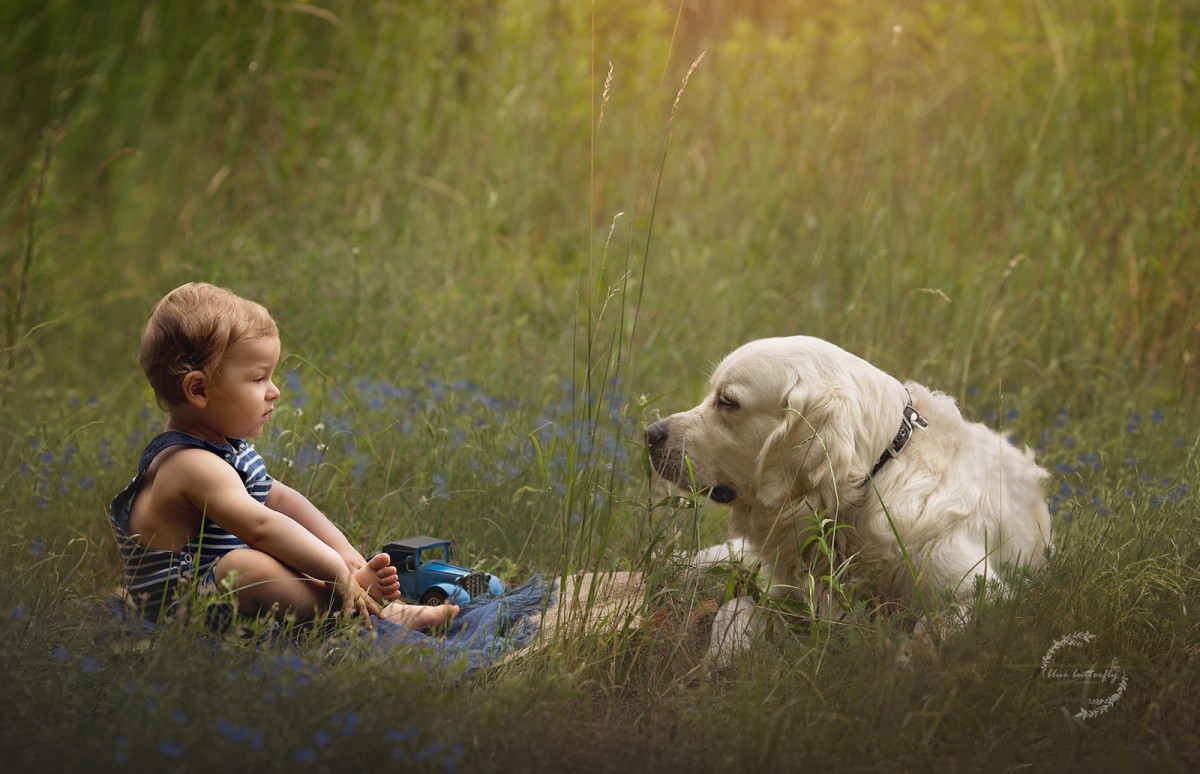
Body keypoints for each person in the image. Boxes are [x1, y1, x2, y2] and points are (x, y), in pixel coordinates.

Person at [108, 281, 458, 630]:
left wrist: (343, 553)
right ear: (199, 389)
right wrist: (335, 571)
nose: (274, 391)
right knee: (245, 567)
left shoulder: (225, 447)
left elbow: (280, 499)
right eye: (259, 378)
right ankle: (356, 609)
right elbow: (262, 527)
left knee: (288, 550)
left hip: (213, 589)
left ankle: (353, 594)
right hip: (181, 611)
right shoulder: (190, 464)